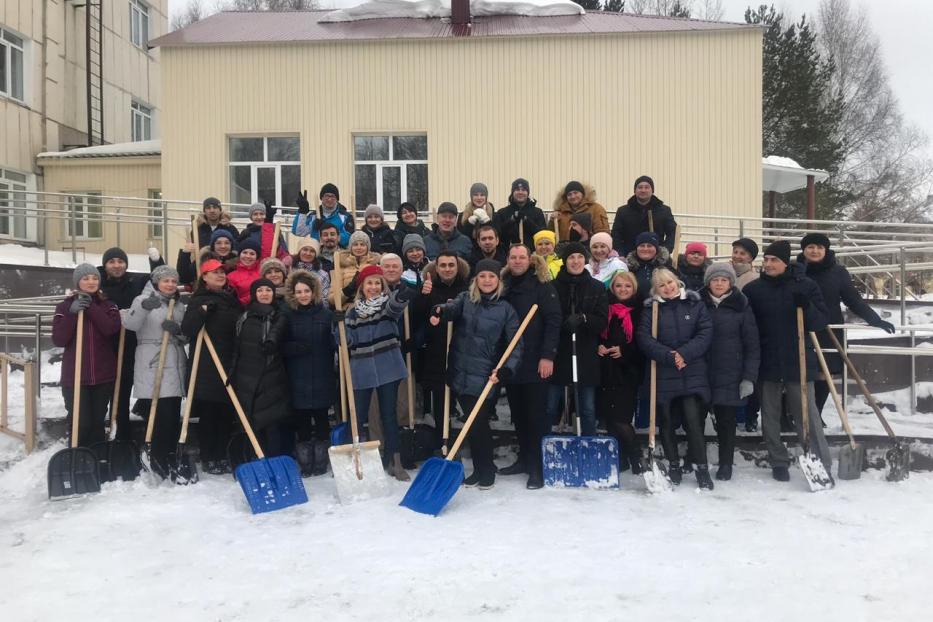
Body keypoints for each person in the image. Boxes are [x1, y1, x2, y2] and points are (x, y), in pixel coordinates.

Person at [743, 240, 833, 482]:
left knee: (808, 415)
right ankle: (778, 460)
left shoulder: (804, 286)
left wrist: (808, 307)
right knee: (770, 415)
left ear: (785, 262)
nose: (769, 264)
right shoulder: (753, 290)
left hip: (798, 359)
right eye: (767, 259)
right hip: (768, 358)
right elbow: (747, 325)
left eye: (774, 260)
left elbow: (820, 321)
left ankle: (820, 460)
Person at [430, 259, 522, 489]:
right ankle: (480, 470)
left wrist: (506, 369)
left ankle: (486, 469)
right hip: (460, 370)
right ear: (476, 280)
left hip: (485, 376)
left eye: (492, 277)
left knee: (478, 423)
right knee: (472, 424)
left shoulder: (506, 309)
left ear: (498, 281)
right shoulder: (466, 300)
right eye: (482, 276)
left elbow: (516, 345)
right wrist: (440, 309)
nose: (487, 280)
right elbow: (451, 309)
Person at [797, 232, 896, 417]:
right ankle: (796, 414)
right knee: (799, 373)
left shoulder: (838, 272)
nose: (815, 251)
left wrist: (875, 320)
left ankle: (815, 414)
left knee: (824, 374)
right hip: (799, 328)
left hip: (828, 330)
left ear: (826, 250)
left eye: (820, 247)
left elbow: (853, 300)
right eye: (811, 247)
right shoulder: (795, 270)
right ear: (804, 249)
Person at [636, 268, 714, 489]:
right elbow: (644, 339)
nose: (668, 287)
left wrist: (684, 354)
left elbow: (705, 332)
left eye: (670, 282)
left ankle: (702, 468)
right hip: (664, 372)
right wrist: (669, 356)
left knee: (693, 421)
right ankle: (673, 465)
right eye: (662, 285)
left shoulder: (694, 304)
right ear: (655, 289)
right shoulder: (651, 309)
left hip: (692, 371)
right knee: (667, 422)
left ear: (677, 282)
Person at [342, 265, 417, 481]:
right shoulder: (352, 312)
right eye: (369, 283)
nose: (373, 287)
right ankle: (354, 460)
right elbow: (347, 342)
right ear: (362, 287)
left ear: (382, 286)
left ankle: (395, 461)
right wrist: (337, 325)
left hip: (389, 367)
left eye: (377, 283)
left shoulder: (386, 306)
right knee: (358, 415)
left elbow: (396, 307)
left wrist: (402, 294)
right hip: (362, 368)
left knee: (389, 415)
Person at [500, 244, 561, 489]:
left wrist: (548, 356)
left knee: (536, 416)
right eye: (513, 257)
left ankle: (537, 467)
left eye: (521, 257)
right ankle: (524, 459)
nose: (517, 261)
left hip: (535, 360)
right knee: (519, 415)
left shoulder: (542, 286)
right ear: (508, 259)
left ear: (530, 259)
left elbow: (554, 321)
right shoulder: (503, 286)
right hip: (511, 361)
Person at [122, 265, 187, 474]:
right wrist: (144, 308)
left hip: (175, 361)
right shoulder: (142, 300)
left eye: (173, 281)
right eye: (166, 280)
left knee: (173, 412)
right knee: (159, 414)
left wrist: (178, 332)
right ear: (156, 282)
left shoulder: (178, 305)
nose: (170, 284)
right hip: (153, 361)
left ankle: (170, 455)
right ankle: (157, 455)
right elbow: (130, 324)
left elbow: (187, 336)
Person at [180, 259, 242, 474]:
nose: (220, 275)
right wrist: (203, 311)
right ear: (204, 277)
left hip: (228, 361)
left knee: (225, 413)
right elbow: (187, 329)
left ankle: (221, 454)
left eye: (221, 272)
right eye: (214, 272)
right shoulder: (198, 300)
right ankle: (209, 456)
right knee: (209, 414)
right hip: (206, 364)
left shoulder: (231, 300)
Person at [700, 263, 760, 481]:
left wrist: (748, 377)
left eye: (724, 280)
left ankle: (726, 464)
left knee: (726, 423)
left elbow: (752, 345)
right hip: (701, 372)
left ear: (730, 283)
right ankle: (695, 460)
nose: (719, 283)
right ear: (708, 282)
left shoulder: (741, 306)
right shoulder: (697, 304)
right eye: (715, 279)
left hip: (730, 374)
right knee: (695, 420)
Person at [52, 264, 122, 446]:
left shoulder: (109, 306)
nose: (91, 282)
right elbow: (59, 339)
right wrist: (72, 314)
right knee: (81, 423)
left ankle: (96, 460)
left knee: (97, 423)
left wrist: (90, 307)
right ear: (77, 282)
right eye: (86, 278)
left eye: (95, 278)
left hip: (103, 376)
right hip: (75, 377)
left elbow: (110, 329)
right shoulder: (64, 307)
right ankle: (78, 458)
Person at [547, 242, 608, 437]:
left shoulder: (596, 287)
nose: (576, 261)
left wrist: (583, 318)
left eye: (580, 257)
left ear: (586, 260)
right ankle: (545, 444)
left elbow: (602, 320)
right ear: (565, 261)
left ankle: (588, 443)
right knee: (550, 406)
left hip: (585, 354)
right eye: (571, 258)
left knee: (587, 408)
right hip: (558, 352)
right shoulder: (553, 286)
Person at [412, 251, 471, 448]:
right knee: (440, 402)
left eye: (451, 265)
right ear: (436, 268)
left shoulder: (467, 289)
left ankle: (466, 441)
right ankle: (442, 442)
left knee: (467, 401)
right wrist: (422, 295)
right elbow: (417, 317)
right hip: (437, 352)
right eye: (443, 265)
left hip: (464, 352)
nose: (447, 269)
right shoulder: (429, 288)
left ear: (457, 266)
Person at [282, 270, 336, 475]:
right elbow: (280, 344)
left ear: (314, 292)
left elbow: (335, 344)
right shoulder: (287, 315)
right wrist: (292, 348)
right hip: (297, 376)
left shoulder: (326, 314)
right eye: (299, 292)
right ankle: (305, 461)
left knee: (322, 418)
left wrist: (338, 326)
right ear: (293, 294)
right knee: (302, 419)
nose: (303, 295)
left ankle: (321, 458)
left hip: (322, 374)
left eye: (307, 291)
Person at [231, 279, 291, 456]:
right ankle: (253, 459)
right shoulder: (244, 316)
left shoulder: (279, 314)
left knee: (271, 422)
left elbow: (277, 330)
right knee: (251, 422)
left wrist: (271, 342)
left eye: (268, 290)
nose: (264, 293)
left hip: (270, 374)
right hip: (245, 376)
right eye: (260, 291)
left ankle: (272, 459)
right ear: (254, 294)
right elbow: (236, 346)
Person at [97, 247, 148, 441]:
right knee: (106, 393)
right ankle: (101, 435)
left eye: (121, 261)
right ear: (105, 264)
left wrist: (156, 260)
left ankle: (123, 436)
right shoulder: (96, 283)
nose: (117, 265)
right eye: (112, 262)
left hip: (130, 344)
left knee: (124, 390)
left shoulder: (135, 282)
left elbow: (160, 281)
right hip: (104, 347)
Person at [597, 270, 645, 474]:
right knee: (609, 417)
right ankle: (621, 458)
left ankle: (637, 458)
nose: (623, 289)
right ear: (612, 288)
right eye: (618, 285)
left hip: (627, 371)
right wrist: (598, 346)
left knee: (621, 418)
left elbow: (642, 341)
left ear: (633, 288)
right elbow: (595, 333)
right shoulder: (604, 309)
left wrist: (624, 350)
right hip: (605, 370)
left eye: (627, 286)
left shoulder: (640, 311)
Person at [176, 197, 239, 284]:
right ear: (204, 211)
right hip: (203, 267)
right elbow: (184, 275)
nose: (212, 210)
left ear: (220, 210)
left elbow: (236, 250)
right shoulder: (197, 230)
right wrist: (185, 253)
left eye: (215, 207)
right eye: (208, 208)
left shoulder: (230, 228)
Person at [611, 176, 677, 256]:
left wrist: (665, 251)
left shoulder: (664, 210)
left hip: (656, 257)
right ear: (635, 190)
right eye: (640, 187)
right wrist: (620, 253)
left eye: (647, 187)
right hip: (629, 256)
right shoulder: (623, 211)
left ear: (652, 190)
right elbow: (616, 234)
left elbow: (672, 232)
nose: (643, 190)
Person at [331, 230, 381, 310]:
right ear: (350, 247)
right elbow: (332, 299)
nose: (359, 247)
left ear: (367, 247)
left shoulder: (375, 265)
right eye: (355, 244)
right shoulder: (341, 267)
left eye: (362, 244)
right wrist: (348, 289)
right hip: (348, 310)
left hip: (371, 308)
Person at [493, 178, 546, 249]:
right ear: (512, 192)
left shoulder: (537, 212)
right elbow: (498, 235)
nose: (520, 192)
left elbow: (542, 235)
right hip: (508, 255)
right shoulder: (502, 213)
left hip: (532, 254)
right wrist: (511, 220)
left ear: (528, 193)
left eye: (523, 190)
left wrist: (526, 220)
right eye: (517, 190)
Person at [626, 231, 673, 297]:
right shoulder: (628, 268)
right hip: (635, 305)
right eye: (642, 246)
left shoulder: (668, 266)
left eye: (649, 246)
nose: (645, 249)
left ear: (656, 248)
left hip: (661, 305)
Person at [290, 236, 332, 303]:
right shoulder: (290, 270)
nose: (308, 253)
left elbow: (325, 298)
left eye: (312, 251)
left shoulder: (323, 274)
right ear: (299, 251)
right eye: (305, 249)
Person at [227, 238, 263, 306]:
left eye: (252, 254)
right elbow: (231, 300)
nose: (248, 256)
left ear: (257, 257)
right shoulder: (231, 276)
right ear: (240, 254)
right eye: (245, 252)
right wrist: (253, 297)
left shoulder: (263, 272)